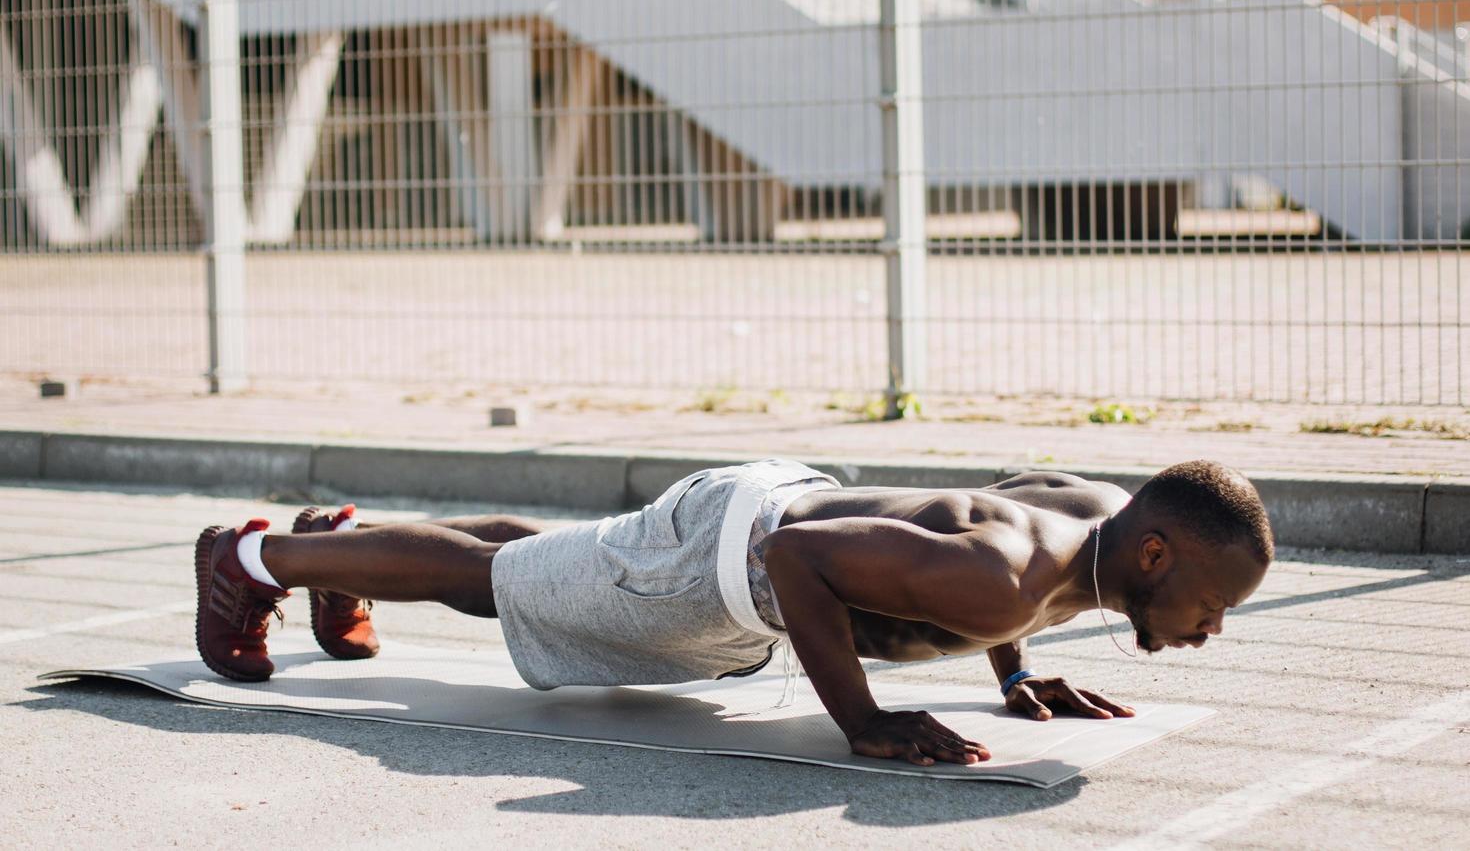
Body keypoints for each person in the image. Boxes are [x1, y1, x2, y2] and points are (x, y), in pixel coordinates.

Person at [193, 457, 1271, 767]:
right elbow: (801, 558)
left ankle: (346, 545)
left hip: (747, 512)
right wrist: (864, 721)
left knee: (545, 560)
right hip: (730, 557)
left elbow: (1012, 486)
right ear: (1158, 550)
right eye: (1213, 606)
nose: (1210, 627)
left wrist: (1010, 669)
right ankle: (254, 557)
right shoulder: (1003, 579)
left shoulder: (1093, 519)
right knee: (503, 584)